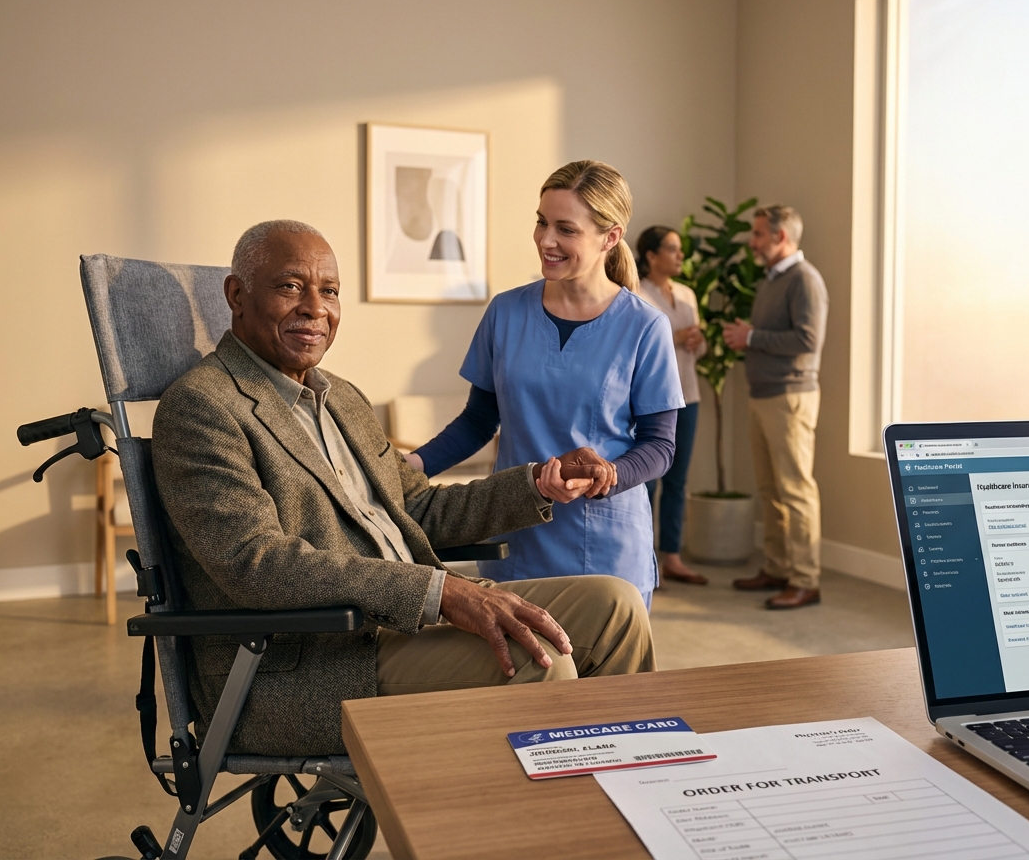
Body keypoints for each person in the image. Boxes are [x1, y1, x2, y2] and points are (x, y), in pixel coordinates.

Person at [151, 219, 655, 757]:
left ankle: (622, 785)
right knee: (540, 660)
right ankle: (542, 826)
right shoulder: (203, 407)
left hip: (399, 623)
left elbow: (416, 505)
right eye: (290, 286)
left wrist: (539, 483)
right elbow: (257, 563)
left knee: (617, 605)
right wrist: (441, 593)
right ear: (237, 295)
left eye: (330, 291)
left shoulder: (340, 398)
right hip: (314, 664)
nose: (315, 308)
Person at [407, 161, 685, 608]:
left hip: (606, 548)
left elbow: (660, 445)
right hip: (517, 539)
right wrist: (407, 469)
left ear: (609, 237)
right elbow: (478, 421)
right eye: (541, 222)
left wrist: (610, 475)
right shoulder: (506, 312)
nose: (545, 239)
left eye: (565, 229)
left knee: (607, 681)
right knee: (521, 675)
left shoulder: (644, 326)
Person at [721, 205, 828, 610]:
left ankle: (805, 579)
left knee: (796, 491)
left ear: (782, 237)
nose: (753, 241)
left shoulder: (805, 280)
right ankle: (779, 567)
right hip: (764, 394)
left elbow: (807, 340)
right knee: (771, 490)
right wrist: (750, 338)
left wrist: (751, 338)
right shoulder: (772, 280)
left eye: (759, 234)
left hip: (790, 397)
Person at [635, 226, 708, 586]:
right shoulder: (636, 293)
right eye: (673, 249)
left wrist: (697, 341)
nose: (680, 256)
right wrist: (676, 338)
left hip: (688, 396)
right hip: (652, 401)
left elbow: (697, 351)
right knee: (648, 481)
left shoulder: (687, 294)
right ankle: (643, 559)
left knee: (678, 480)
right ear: (651, 255)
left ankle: (673, 556)